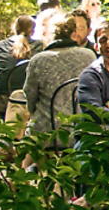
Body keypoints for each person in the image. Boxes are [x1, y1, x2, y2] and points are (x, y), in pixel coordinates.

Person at [23, 14, 96, 146]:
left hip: (45, 133)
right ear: (74, 34)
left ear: (51, 35)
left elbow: (30, 97)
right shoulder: (89, 56)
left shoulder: (38, 60)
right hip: (80, 132)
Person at [0, 16, 44, 115]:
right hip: (27, 97)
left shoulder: (1, 45)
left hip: (2, 97)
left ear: (14, 28)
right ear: (32, 31)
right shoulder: (39, 45)